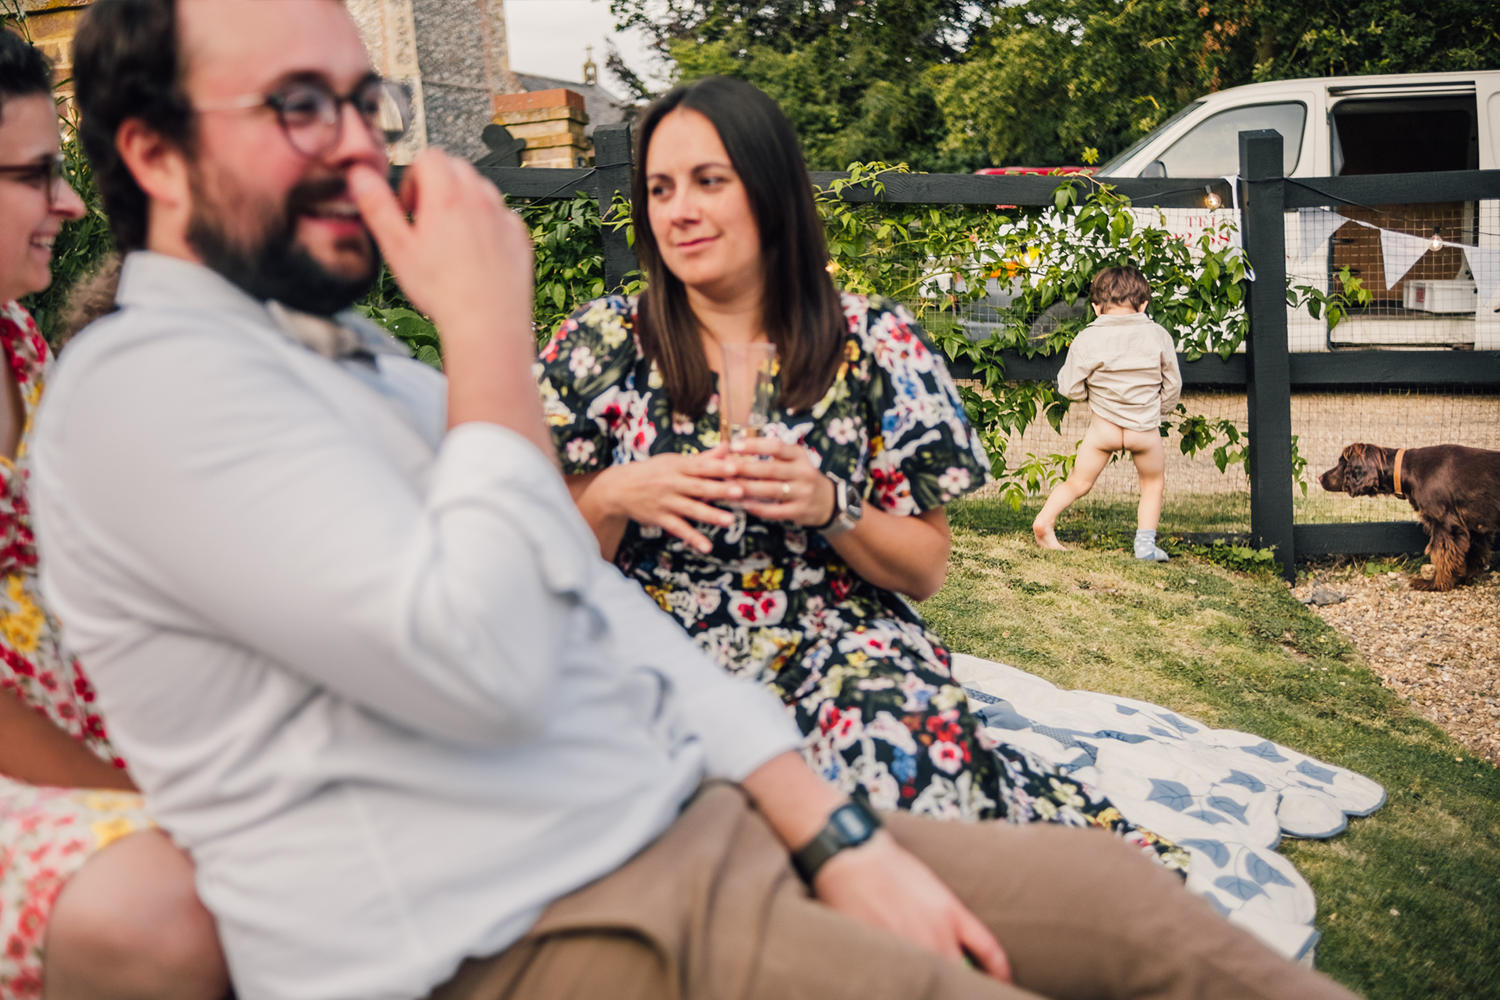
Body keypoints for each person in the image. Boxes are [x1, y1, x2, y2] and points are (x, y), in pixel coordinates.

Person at [35, 3, 1360, 999]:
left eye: (362, 100)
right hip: (541, 912)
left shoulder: (355, 365)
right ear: (153, 154)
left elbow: (601, 632)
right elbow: (489, 657)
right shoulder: (146, 393)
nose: (365, 145)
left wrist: (838, 835)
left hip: (692, 809)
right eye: (298, 107)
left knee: (1127, 903)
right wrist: (496, 335)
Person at [534, 76, 1181, 861]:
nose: (679, 209)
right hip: (648, 648)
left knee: (915, 790)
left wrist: (830, 504)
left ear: (770, 191)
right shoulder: (599, 345)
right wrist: (612, 493)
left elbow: (925, 568)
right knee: (642, 831)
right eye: (660, 188)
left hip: (831, 631)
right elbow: (541, 564)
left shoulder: (875, 342)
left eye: (709, 181)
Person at [0, 31, 226, 1000]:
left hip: (101, 734)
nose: (72, 204)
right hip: (39, 773)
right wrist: (143, 796)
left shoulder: (18, 344)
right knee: (172, 911)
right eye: (35, 174)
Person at [1032, 266, 1182, 560]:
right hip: (1144, 430)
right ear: (1143, 304)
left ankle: (1045, 521)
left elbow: (1069, 387)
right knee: (1152, 483)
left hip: (1103, 429)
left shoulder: (1087, 339)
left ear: (1096, 307)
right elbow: (1172, 384)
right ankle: (1145, 547)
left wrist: (1091, 395)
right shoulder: (1158, 336)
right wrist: (1158, 411)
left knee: (1078, 482)